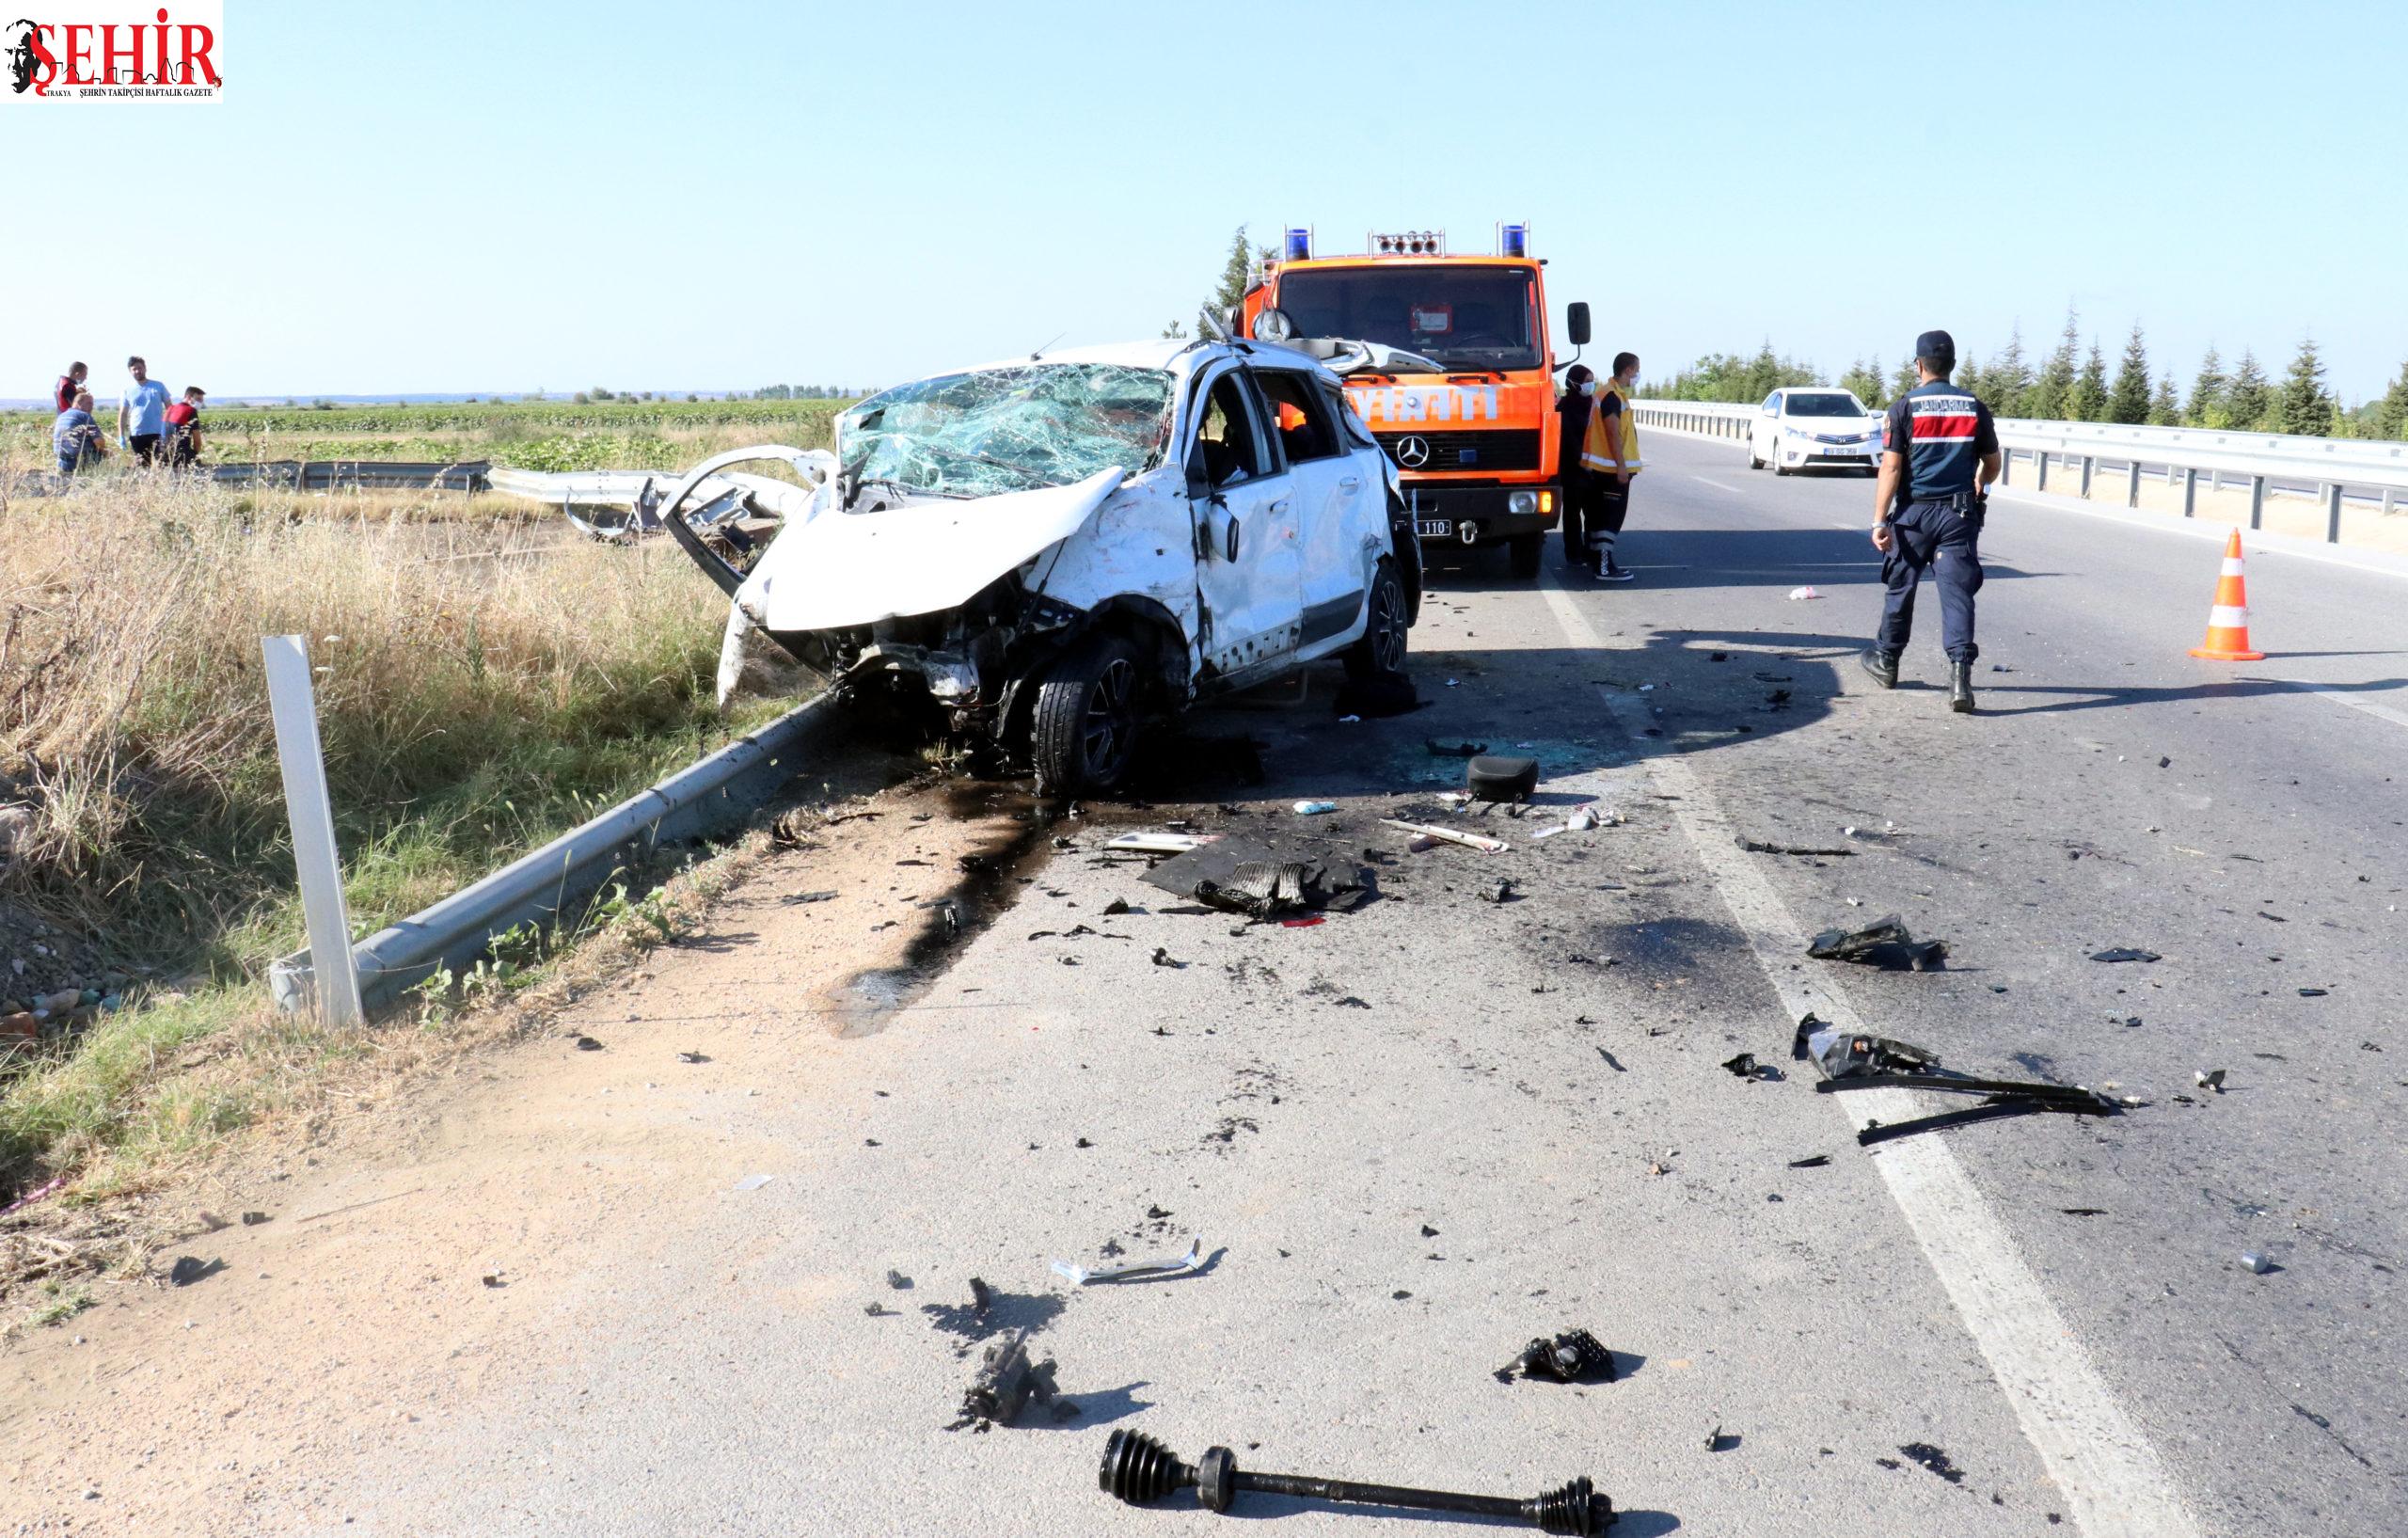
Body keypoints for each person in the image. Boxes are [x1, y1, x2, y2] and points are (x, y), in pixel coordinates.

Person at [1861, 329, 2001, 713]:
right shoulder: (1974, 406)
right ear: (1952, 365)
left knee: (1900, 585)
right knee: (1957, 594)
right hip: (1959, 515)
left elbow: (1891, 467)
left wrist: (1878, 521)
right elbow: (1992, 463)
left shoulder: (1904, 407)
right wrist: (1978, 483)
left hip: (1915, 514)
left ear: (1919, 364)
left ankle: (1887, 661)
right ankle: (1960, 678)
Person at [1576, 351, 1642, 581]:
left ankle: (1596, 561)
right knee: (1609, 519)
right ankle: (1604, 567)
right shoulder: (1612, 396)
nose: (1637, 374)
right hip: (1611, 471)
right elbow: (1613, 433)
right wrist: (1622, 467)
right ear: (1628, 370)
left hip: (1601, 468)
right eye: (1636, 370)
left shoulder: (1609, 393)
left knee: (1598, 517)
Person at [1556, 364, 1598, 572]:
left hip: (1593, 469)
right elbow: (1567, 439)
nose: (1590, 384)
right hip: (1572, 469)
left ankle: (1591, 551)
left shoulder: (1594, 405)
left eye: (1592, 380)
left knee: (1593, 513)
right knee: (1572, 515)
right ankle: (1573, 553)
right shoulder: (1564, 407)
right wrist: (1581, 460)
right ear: (1574, 382)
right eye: (1586, 380)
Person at [118, 355, 170, 466]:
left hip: (157, 433)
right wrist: (121, 435)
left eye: (139, 368)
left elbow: (169, 409)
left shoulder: (158, 386)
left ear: (145, 368)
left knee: (160, 465)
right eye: (134, 369)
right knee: (142, 466)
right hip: (137, 434)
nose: (137, 371)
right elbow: (123, 414)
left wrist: (168, 431)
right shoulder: (127, 390)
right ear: (130, 371)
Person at [54, 389, 107, 474]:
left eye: (92, 404)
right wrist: (105, 451)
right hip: (80, 461)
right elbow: (99, 442)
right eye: (89, 403)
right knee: (106, 455)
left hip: (62, 461)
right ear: (78, 403)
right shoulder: (84, 415)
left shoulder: (61, 416)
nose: (92, 407)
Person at [163, 385, 207, 468]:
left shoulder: (170, 409)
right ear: (189, 397)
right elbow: (197, 441)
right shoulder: (190, 411)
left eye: (201, 400)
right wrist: (195, 454)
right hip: (181, 454)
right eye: (198, 399)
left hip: (163, 454)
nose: (200, 403)